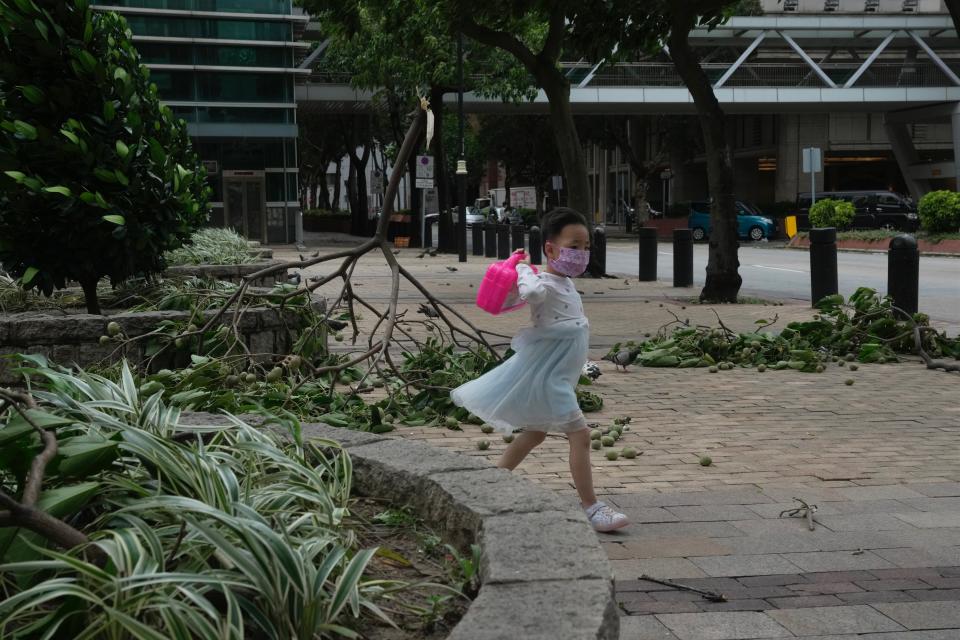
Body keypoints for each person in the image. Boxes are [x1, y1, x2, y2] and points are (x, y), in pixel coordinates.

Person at [451, 207, 629, 532]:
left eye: (586, 247)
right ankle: (591, 506)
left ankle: (489, 485)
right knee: (582, 435)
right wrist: (522, 268)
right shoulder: (542, 282)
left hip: (559, 375)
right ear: (550, 248)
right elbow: (531, 293)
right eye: (574, 246)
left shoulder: (565, 283)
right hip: (551, 381)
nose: (582, 254)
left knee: (533, 434)